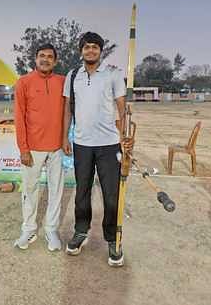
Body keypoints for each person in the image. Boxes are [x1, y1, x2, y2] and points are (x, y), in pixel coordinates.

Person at [62, 31, 129, 267]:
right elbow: (68, 110)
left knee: (112, 196)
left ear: (101, 51)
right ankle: (81, 231)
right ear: (81, 50)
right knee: (82, 192)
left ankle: (112, 239)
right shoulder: (72, 76)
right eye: (87, 47)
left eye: (95, 47)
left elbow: (123, 108)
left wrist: (125, 136)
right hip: (82, 144)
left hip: (109, 144)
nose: (91, 50)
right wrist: (64, 137)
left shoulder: (113, 74)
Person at [13, 43, 65, 251]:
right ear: (35, 59)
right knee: (29, 189)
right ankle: (29, 229)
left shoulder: (62, 82)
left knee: (56, 190)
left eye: (50, 56)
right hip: (32, 148)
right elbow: (19, 116)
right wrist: (23, 148)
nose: (45, 59)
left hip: (57, 148)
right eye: (41, 56)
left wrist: (65, 141)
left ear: (55, 60)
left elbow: (69, 112)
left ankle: (51, 229)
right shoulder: (24, 82)